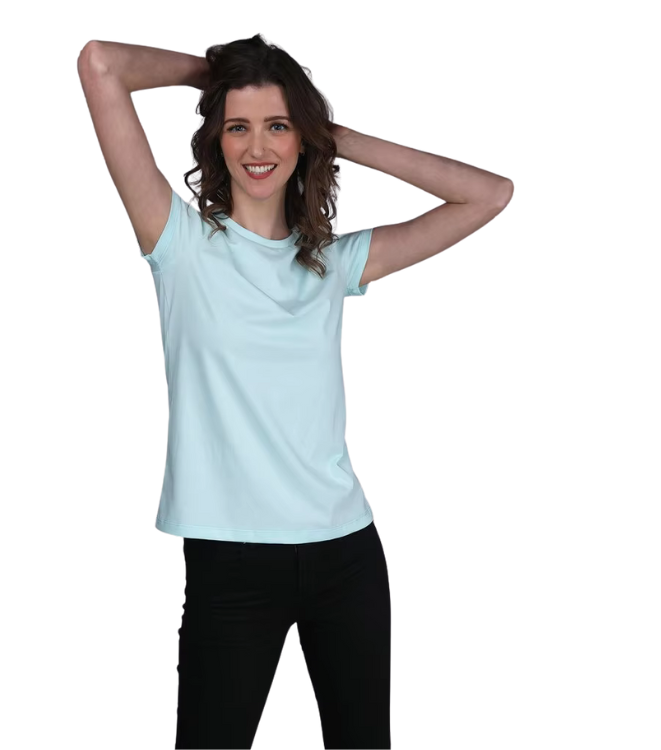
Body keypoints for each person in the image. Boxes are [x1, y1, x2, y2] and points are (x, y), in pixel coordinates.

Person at [78, 33, 513, 750]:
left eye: (278, 126)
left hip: (346, 554)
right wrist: (218, 76)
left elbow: (489, 194)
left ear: (302, 139)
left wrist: (332, 135)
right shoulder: (179, 245)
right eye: (238, 126)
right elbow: (101, 63)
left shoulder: (333, 264)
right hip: (231, 564)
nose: (258, 146)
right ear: (216, 139)